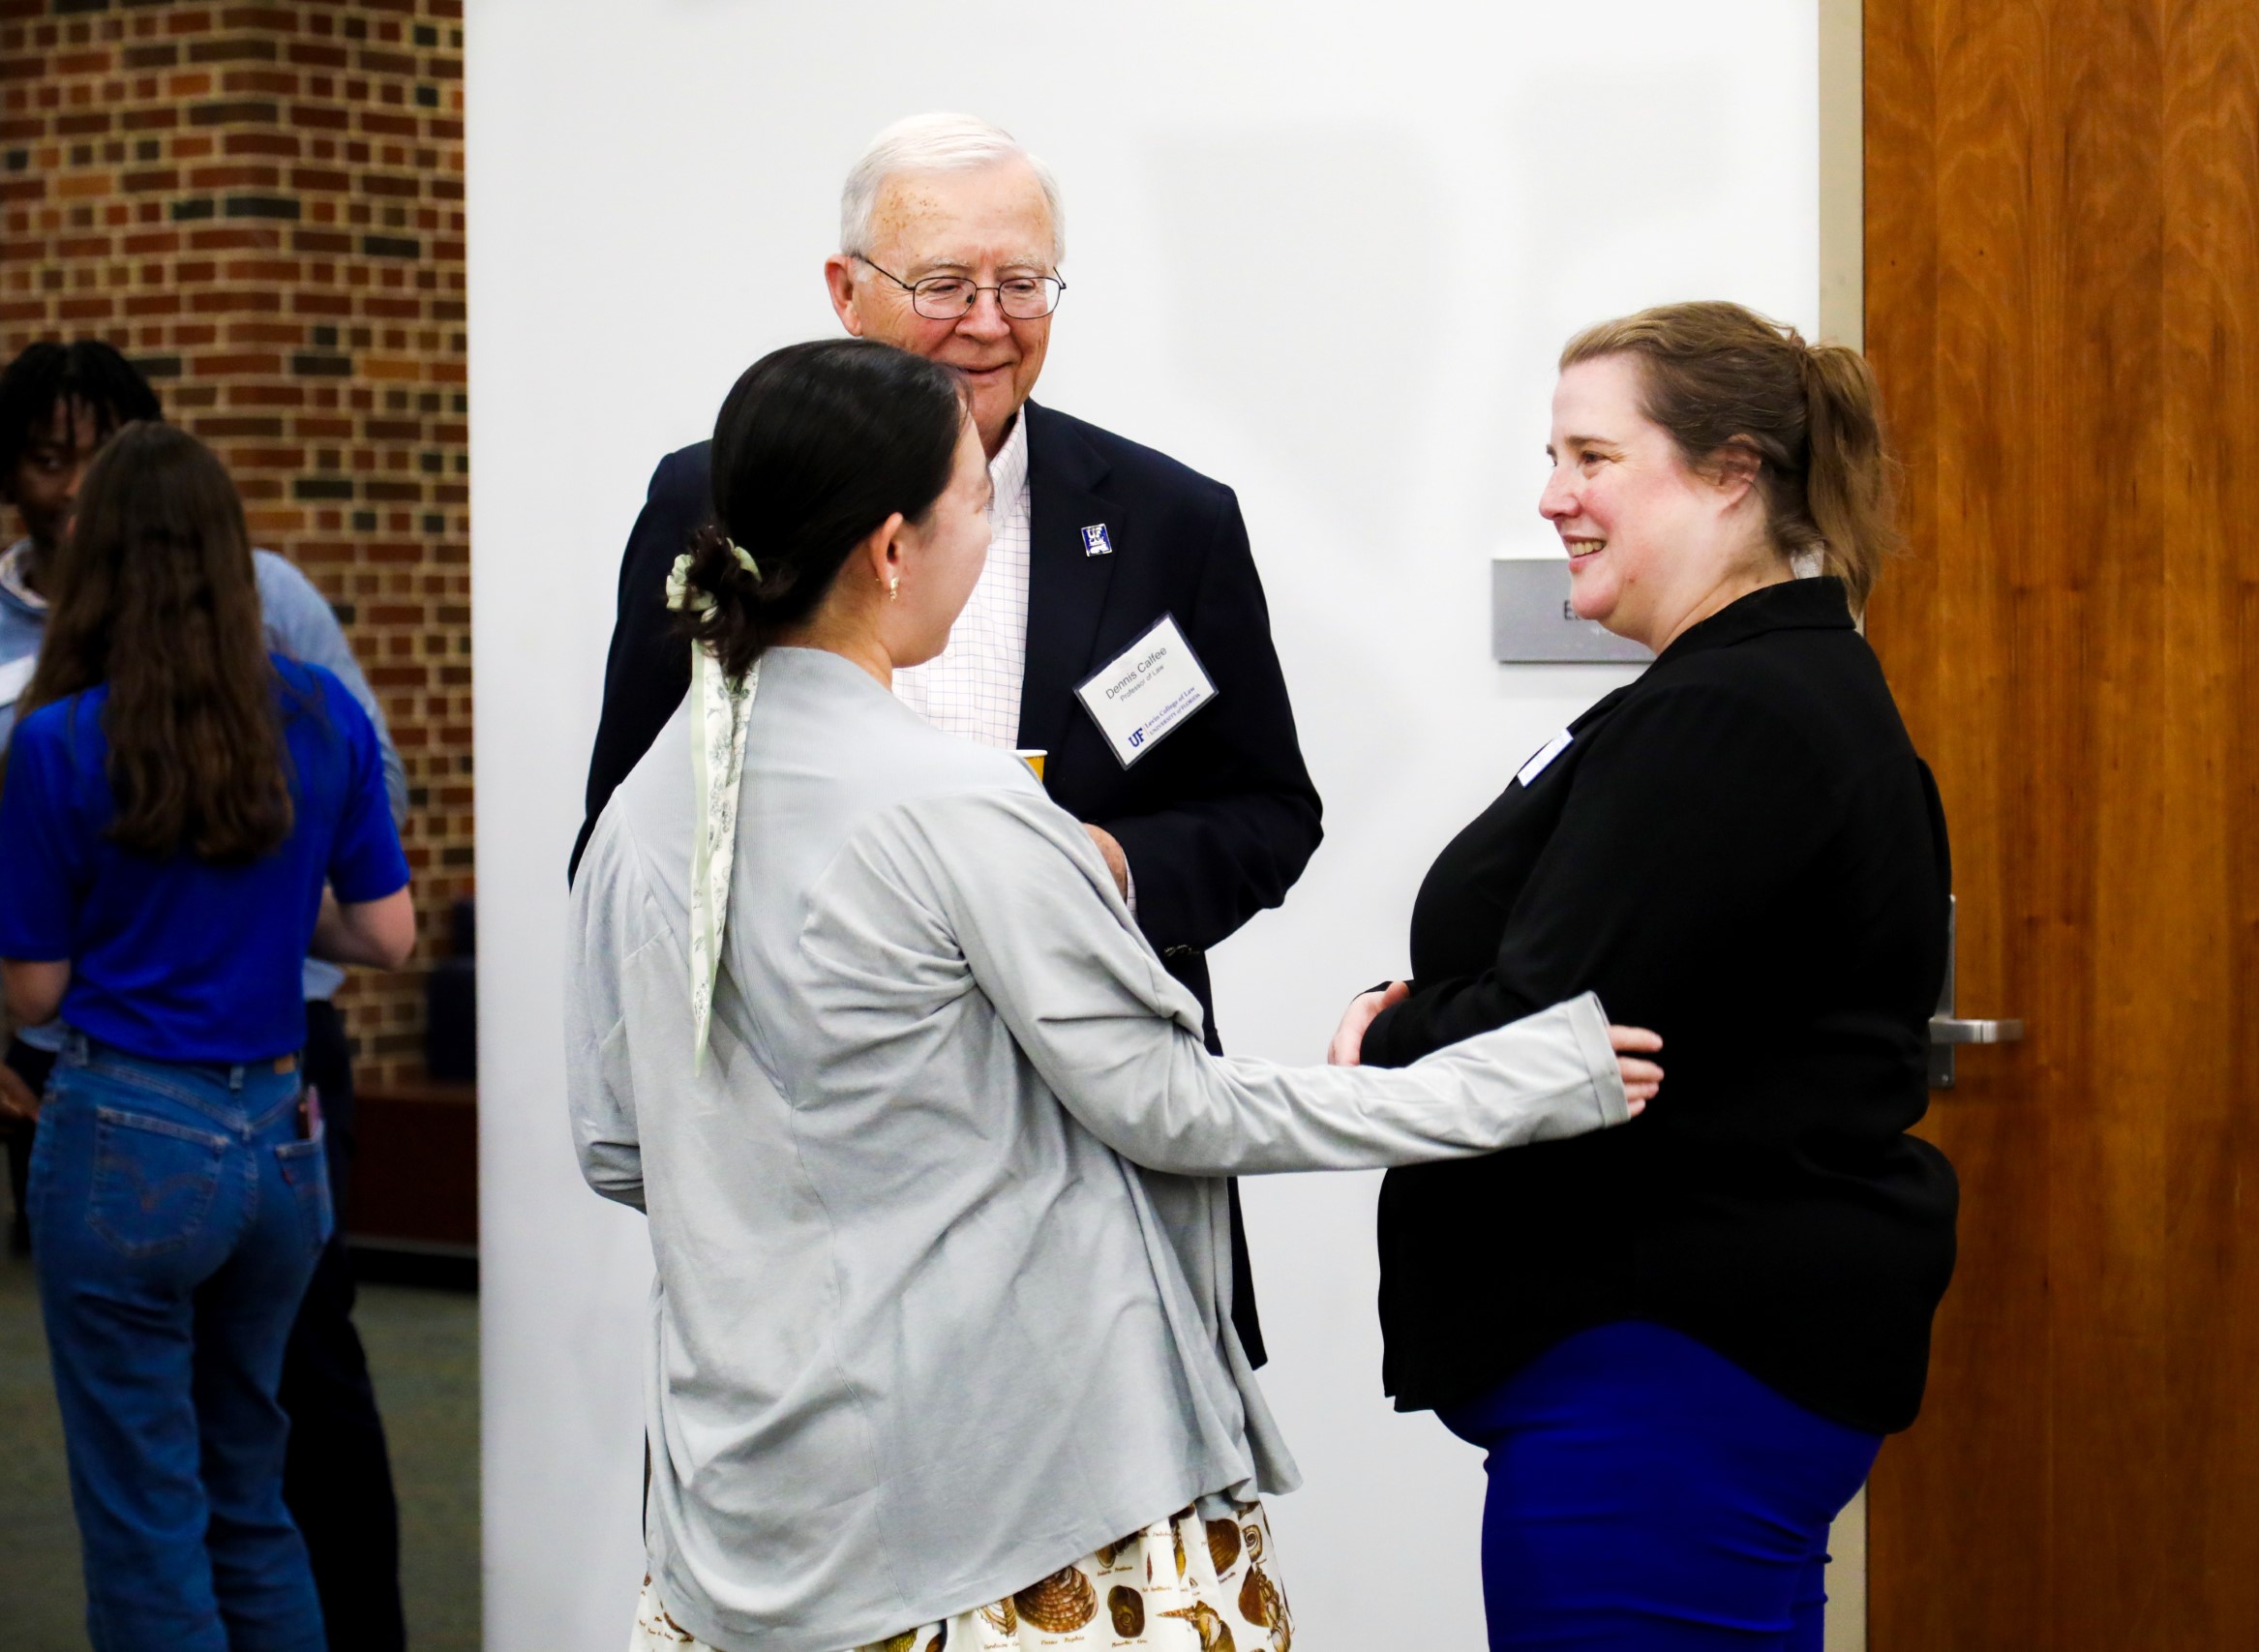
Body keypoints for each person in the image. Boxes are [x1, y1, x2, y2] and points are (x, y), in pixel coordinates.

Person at [568, 339, 1664, 1652]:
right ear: (892, 551)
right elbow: (1178, 1112)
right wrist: (1513, 1084)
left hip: (730, 1524)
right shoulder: (961, 810)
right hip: (1004, 1518)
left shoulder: (643, 815)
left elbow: (617, 1142)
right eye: (977, 502)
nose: (994, 530)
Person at [577, 113, 1318, 1366]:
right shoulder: (707, 505)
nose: (989, 319)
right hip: (818, 1186)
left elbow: (1265, 811)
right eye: (944, 283)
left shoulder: (1164, 520)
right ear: (845, 292)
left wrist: (1108, 871)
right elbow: (633, 824)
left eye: (1023, 282)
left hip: (1100, 1179)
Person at [1328, 302, 1961, 1651]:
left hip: (1664, 1373)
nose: (1553, 497)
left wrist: (1390, 1041)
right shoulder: (1752, 688)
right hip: (1694, 1372)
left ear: (1732, 473)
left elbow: (1553, 1037)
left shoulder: (1733, 715)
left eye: (1593, 457)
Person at [0, 339, 414, 1651]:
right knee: (251, 1493)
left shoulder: (59, 738)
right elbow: (389, 938)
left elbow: (35, 987)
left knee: (143, 1511)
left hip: (124, 1132)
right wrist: (277, 907)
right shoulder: (314, 715)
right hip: (280, 1140)